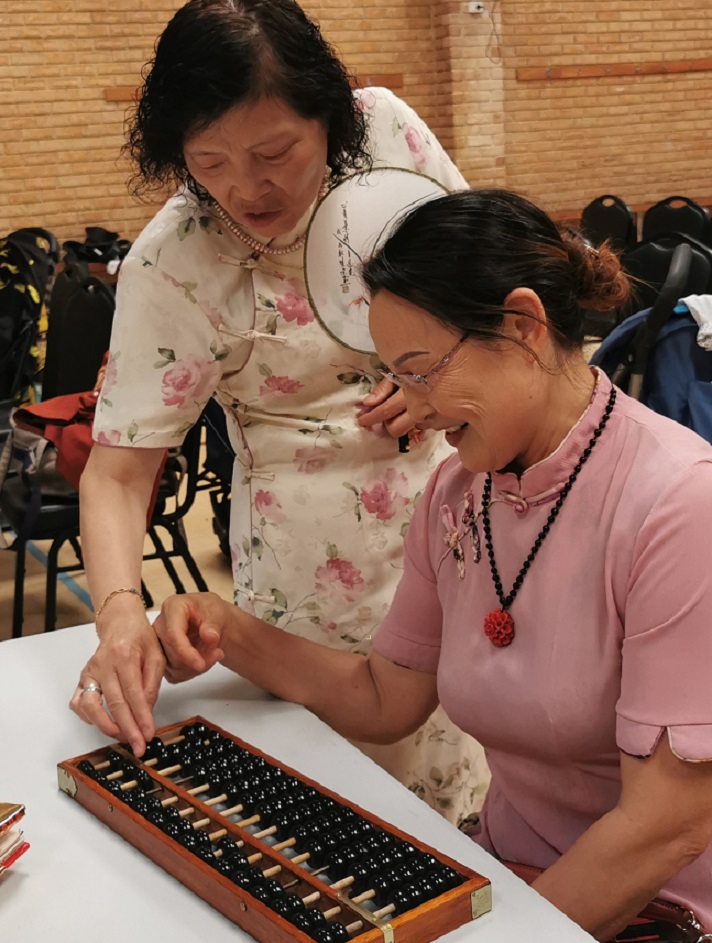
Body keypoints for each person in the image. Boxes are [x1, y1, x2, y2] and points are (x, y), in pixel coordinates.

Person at [149, 189, 712, 940]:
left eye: (419, 371)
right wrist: (226, 628)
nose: (406, 405)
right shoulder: (459, 494)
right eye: (391, 374)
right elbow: (387, 696)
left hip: (649, 910)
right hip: (512, 879)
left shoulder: (679, 503)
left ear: (522, 327)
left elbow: (663, 826)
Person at [70, 0, 489, 825]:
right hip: (303, 570)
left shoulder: (386, 137)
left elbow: (488, 289)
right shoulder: (175, 259)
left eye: (274, 152)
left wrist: (435, 383)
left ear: (328, 118)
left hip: (450, 524)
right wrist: (120, 613)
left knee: (464, 789)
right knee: (332, 813)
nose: (245, 187)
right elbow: (117, 475)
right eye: (210, 162)